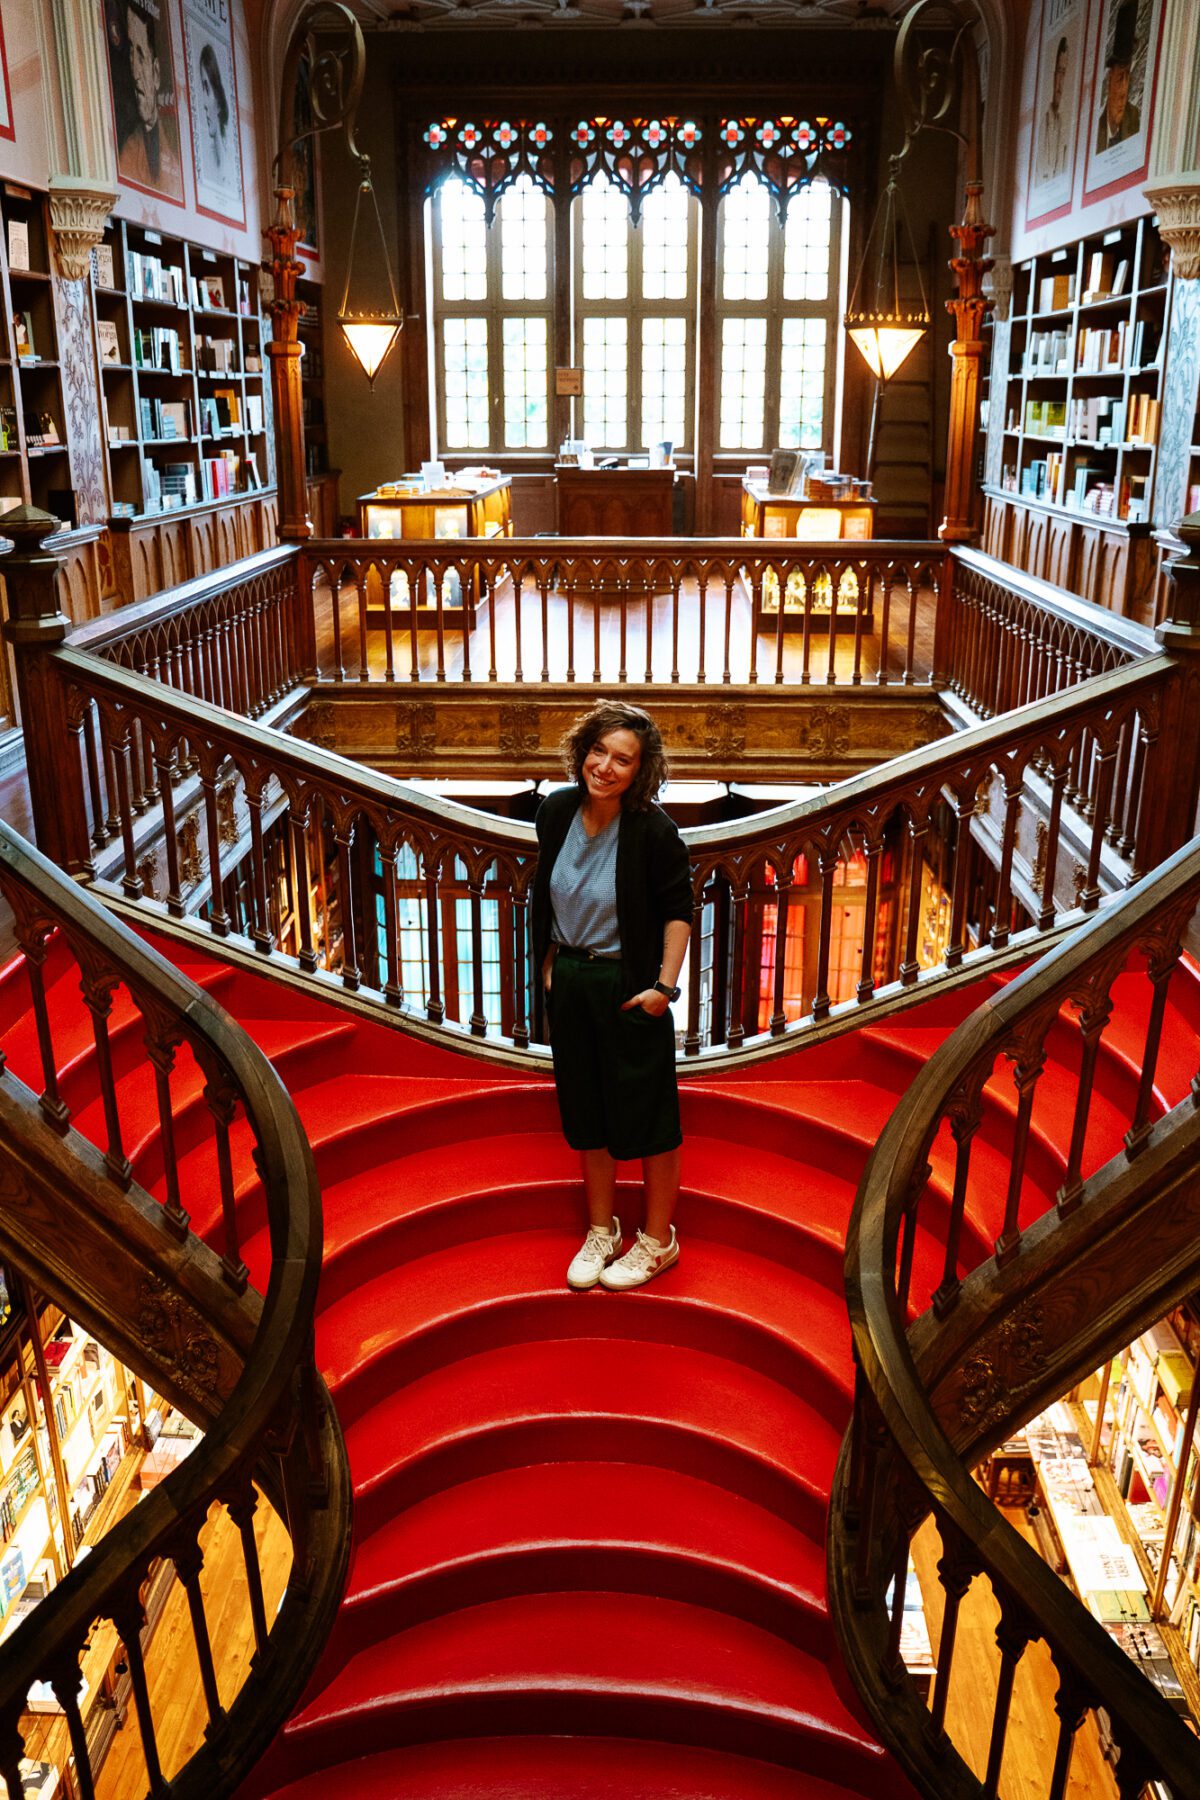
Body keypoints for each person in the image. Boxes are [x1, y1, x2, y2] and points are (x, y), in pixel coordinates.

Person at [532, 701, 692, 1292]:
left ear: (639, 771)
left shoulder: (653, 831)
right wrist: (551, 960)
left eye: (621, 759)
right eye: (598, 751)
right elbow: (547, 890)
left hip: (629, 987)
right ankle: (602, 1229)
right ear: (582, 751)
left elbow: (678, 914)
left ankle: (657, 1241)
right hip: (572, 979)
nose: (605, 766)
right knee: (587, 1111)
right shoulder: (556, 810)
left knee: (649, 1118)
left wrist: (663, 989)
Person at [119, 2, 182, 196]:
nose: (135, 73)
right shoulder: (128, 151)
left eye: (140, 55)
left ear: (155, 72)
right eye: (131, 55)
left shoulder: (173, 152)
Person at [1095, 0, 1141, 153]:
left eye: (1128, 76)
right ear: (1109, 78)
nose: (1124, 91)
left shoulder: (1135, 118)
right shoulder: (1097, 132)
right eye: (1120, 77)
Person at [1036, 37, 1071, 184]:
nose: (1061, 81)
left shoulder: (1066, 124)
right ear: (1054, 75)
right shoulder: (1043, 124)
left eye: (1065, 73)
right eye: (1059, 72)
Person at [198, 41, 233, 184]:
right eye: (202, 88)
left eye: (207, 89)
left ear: (218, 99)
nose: (204, 104)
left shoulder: (228, 173)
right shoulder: (208, 165)